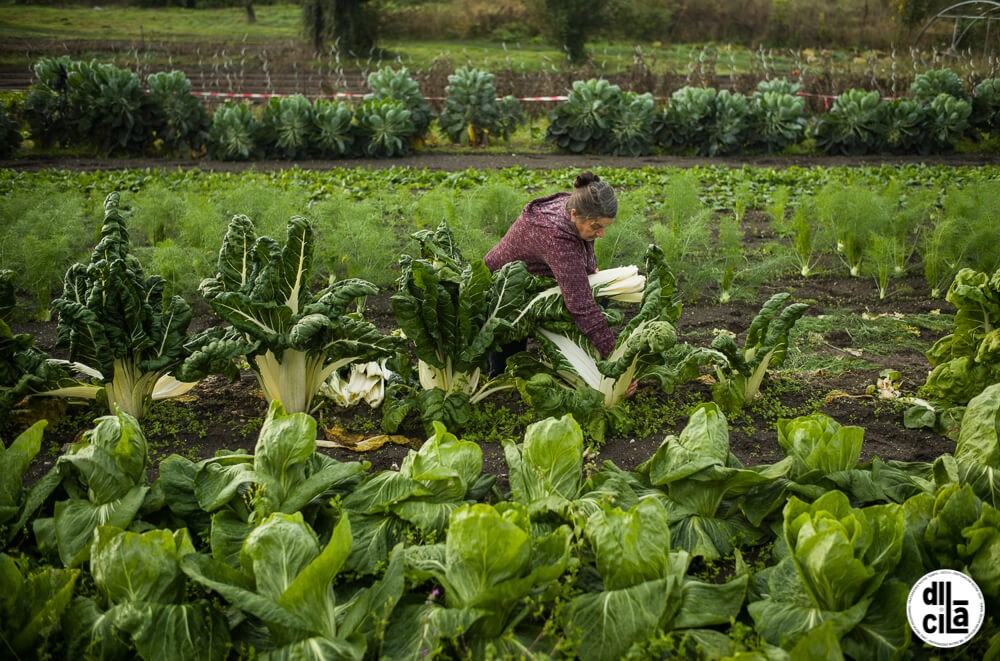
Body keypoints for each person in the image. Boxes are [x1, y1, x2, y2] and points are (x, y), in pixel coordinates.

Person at [484, 170, 619, 373]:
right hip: (503, 291)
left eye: (604, 227)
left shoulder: (575, 204)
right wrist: (615, 356)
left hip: (533, 279)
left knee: (598, 292)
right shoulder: (555, 237)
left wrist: (590, 267)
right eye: (596, 226)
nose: (601, 233)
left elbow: (585, 242)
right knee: (507, 363)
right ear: (574, 215)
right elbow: (580, 306)